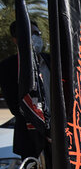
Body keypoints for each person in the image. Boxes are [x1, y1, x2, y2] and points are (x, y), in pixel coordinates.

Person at [0, 21, 50, 161]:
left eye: (37, 33)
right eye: (29, 33)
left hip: (60, 136)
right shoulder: (7, 67)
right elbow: (15, 107)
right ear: (15, 39)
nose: (35, 37)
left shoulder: (52, 61)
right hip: (31, 139)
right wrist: (44, 128)